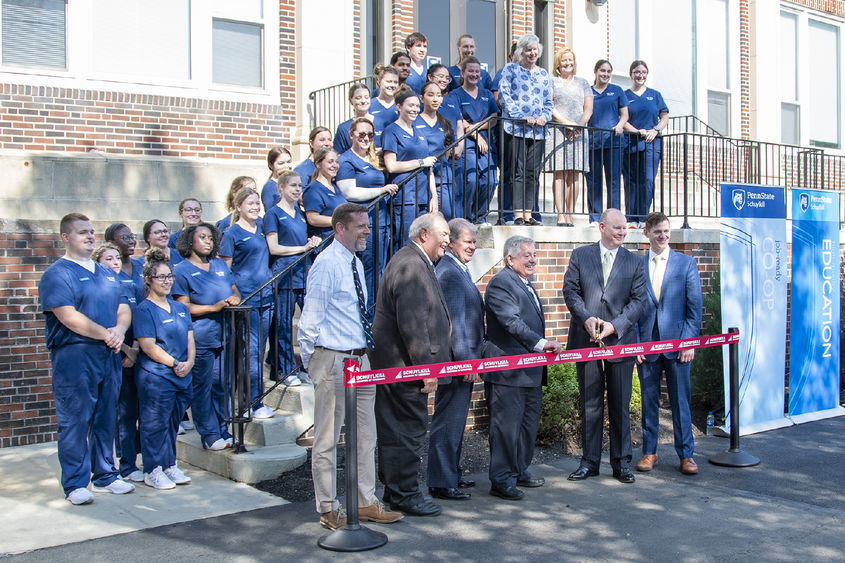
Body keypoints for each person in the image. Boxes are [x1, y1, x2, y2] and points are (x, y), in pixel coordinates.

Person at [297, 203, 404, 530]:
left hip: (361, 359)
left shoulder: (355, 264)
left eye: (368, 226)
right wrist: (314, 363)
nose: (368, 231)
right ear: (340, 228)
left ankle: (364, 501)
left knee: (366, 435)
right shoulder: (326, 264)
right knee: (328, 438)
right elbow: (309, 322)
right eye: (360, 226)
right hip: (333, 359)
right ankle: (328, 508)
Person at [39, 213, 135, 504]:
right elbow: (68, 316)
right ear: (66, 237)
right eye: (82, 232)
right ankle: (75, 483)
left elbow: (124, 308)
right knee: (75, 419)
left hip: (108, 353)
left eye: (92, 231)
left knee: (107, 417)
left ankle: (105, 475)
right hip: (75, 355)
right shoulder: (57, 274)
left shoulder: (106, 272)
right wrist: (106, 334)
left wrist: (119, 330)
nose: (90, 236)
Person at [372, 212, 452, 517]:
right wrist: (426, 368)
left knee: (400, 430)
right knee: (407, 431)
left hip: (403, 367)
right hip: (404, 368)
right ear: (423, 234)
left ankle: (397, 492)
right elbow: (413, 322)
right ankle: (405, 495)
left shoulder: (416, 261)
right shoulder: (410, 265)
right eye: (443, 234)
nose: (448, 239)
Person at [562, 208, 646, 484]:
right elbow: (570, 291)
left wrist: (616, 326)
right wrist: (586, 319)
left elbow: (638, 302)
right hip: (586, 340)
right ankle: (589, 462)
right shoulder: (580, 255)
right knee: (590, 404)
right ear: (601, 227)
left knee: (620, 405)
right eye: (617, 228)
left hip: (619, 343)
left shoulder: (635, 262)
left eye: (625, 228)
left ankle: (621, 463)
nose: (622, 232)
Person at [484, 235, 562, 500]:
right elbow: (511, 322)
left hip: (530, 372)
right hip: (508, 371)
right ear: (509, 258)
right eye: (526, 255)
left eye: (534, 254)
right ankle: (502, 479)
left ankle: (519, 470)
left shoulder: (525, 282)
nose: (532, 259)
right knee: (506, 428)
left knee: (527, 426)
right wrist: (541, 344)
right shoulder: (500, 284)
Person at [634, 212, 702, 475]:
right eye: (657, 232)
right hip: (648, 348)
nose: (662, 236)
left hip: (677, 346)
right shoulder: (637, 266)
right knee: (649, 401)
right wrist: (637, 344)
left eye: (665, 231)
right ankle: (649, 453)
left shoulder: (686, 264)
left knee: (681, 401)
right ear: (647, 234)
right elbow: (634, 308)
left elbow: (694, 310)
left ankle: (686, 455)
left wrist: (688, 342)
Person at [427, 218, 484, 501]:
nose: (473, 247)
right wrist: (467, 362)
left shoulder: (459, 269)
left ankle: (452, 473)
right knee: (448, 420)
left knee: (456, 420)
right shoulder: (449, 273)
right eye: (468, 242)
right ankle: (441, 481)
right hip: (456, 361)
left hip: (462, 360)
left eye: (475, 242)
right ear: (451, 242)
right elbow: (455, 323)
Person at [172, 222, 241, 450]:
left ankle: (223, 429)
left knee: (222, 384)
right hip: (201, 337)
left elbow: (234, 289)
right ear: (189, 241)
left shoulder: (220, 265)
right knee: (203, 386)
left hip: (225, 333)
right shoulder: (181, 270)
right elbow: (183, 307)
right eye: (202, 237)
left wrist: (235, 298)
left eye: (211, 238)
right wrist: (213, 308)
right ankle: (209, 434)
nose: (208, 241)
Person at [133, 248, 195, 489]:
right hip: (157, 377)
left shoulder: (180, 308)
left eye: (170, 276)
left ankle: (170, 464)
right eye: (161, 277)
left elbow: (190, 338)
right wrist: (175, 363)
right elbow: (148, 346)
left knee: (171, 425)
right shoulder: (144, 309)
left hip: (182, 375)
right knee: (154, 425)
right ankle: (153, 469)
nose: (167, 281)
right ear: (149, 279)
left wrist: (189, 363)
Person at [220, 187, 275, 419]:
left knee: (259, 351)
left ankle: (252, 400)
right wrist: (234, 294)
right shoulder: (231, 233)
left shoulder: (263, 226)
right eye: (250, 203)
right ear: (238, 206)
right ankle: (253, 402)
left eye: (257, 203)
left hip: (267, 297)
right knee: (251, 352)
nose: (255, 207)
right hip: (246, 300)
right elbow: (225, 269)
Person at [265, 171, 322, 386]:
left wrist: (312, 241)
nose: (297, 189)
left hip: (303, 275)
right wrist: (303, 248)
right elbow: (274, 247)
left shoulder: (300, 213)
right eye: (292, 186)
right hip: (284, 276)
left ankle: (308, 367)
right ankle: (284, 370)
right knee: (283, 326)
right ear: (281, 188)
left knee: (310, 326)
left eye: (299, 186)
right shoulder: (273, 214)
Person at [336, 117, 399, 304]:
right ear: (351, 135)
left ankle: (377, 312)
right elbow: (349, 192)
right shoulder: (346, 160)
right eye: (361, 134)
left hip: (382, 220)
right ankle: (368, 312)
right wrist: (380, 190)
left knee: (380, 267)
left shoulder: (374, 159)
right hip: (363, 223)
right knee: (368, 268)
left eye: (370, 135)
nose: (366, 138)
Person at [103, 225, 145, 482]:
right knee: (122, 412)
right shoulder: (104, 277)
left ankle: (136, 460)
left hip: (141, 348)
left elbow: (146, 309)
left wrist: (139, 347)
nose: (131, 241)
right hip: (117, 351)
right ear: (109, 242)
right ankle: (124, 464)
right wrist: (127, 350)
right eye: (124, 238)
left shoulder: (140, 269)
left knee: (139, 410)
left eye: (132, 236)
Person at [498, 34, 553, 225]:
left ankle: (529, 214)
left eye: (535, 49)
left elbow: (548, 100)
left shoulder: (543, 74)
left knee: (532, 173)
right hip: (517, 129)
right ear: (521, 51)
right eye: (528, 49)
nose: (532, 53)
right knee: (518, 172)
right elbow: (505, 96)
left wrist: (544, 117)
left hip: (538, 131)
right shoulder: (511, 69)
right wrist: (521, 116)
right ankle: (518, 214)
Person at [382, 86, 438, 246]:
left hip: (422, 196)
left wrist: (433, 196)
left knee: (422, 242)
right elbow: (391, 166)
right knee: (404, 242)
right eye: (410, 105)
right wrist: (420, 163)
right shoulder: (391, 131)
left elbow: (429, 168)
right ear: (399, 107)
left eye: (416, 106)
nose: (415, 109)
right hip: (405, 197)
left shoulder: (419, 133)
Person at [447, 56, 499, 224]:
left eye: (477, 71)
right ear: (462, 73)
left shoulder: (486, 94)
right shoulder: (455, 95)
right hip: (467, 144)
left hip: (486, 144)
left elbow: (494, 118)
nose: (474, 74)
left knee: (491, 180)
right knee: (470, 180)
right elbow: (459, 120)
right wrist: (476, 136)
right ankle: (466, 218)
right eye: (470, 71)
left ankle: (480, 216)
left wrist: (476, 127)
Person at [546, 48, 593, 227]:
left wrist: (579, 125)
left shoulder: (583, 83)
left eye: (571, 60)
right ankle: (560, 214)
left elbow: (588, 108)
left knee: (574, 174)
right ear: (558, 63)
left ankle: (570, 214)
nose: (568, 63)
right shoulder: (552, 82)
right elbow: (549, 106)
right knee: (559, 174)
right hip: (558, 131)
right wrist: (567, 123)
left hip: (579, 132)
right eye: (564, 60)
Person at [623, 60, 669, 226]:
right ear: (631, 75)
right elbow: (622, 118)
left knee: (647, 180)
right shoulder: (625, 95)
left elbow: (664, 116)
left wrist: (655, 130)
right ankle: (631, 218)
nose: (640, 75)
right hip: (631, 144)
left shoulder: (655, 95)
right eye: (636, 72)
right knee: (631, 181)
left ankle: (643, 218)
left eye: (643, 72)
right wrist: (635, 130)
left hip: (651, 143)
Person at [585, 60, 628, 224]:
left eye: (609, 71)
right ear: (595, 71)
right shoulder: (588, 91)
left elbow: (624, 114)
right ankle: (595, 217)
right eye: (602, 71)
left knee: (614, 181)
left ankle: (614, 218)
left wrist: (619, 125)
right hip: (593, 142)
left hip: (614, 142)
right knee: (594, 181)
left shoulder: (617, 90)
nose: (606, 74)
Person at [417, 81, 457, 220]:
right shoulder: (415, 122)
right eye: (430, 95)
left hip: (443, 178)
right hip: (421, 178)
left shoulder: (445, 123)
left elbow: (447, 149)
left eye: (439, 95)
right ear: (421, 98)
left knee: (446, 218)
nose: (435, 99)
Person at [303, 147, 348, 239]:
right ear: (318, 164)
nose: (335, 165)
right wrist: (340, 221)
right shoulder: (313, 189)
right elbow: (312, 219)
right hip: (326, 242)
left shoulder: (335, 187)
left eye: (336, 162)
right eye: (330, 162)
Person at [333, 83, 373, 155]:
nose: (363, 101)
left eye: (366, 97)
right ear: (351, 101)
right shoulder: (343, 128)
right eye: (358, 98)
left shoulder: (382, 123)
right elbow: (338, 154)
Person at [370, 64, 400, 147]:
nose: (392, 85)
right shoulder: (369, 105)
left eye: (395, 82)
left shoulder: (402, 105)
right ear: (379, 82)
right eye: (389, 81)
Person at [261, 147, 293, 213]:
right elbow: (271, 214)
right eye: (281, 163)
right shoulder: (269, 187)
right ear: (271, 165)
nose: (286, 166)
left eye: (288, 162)